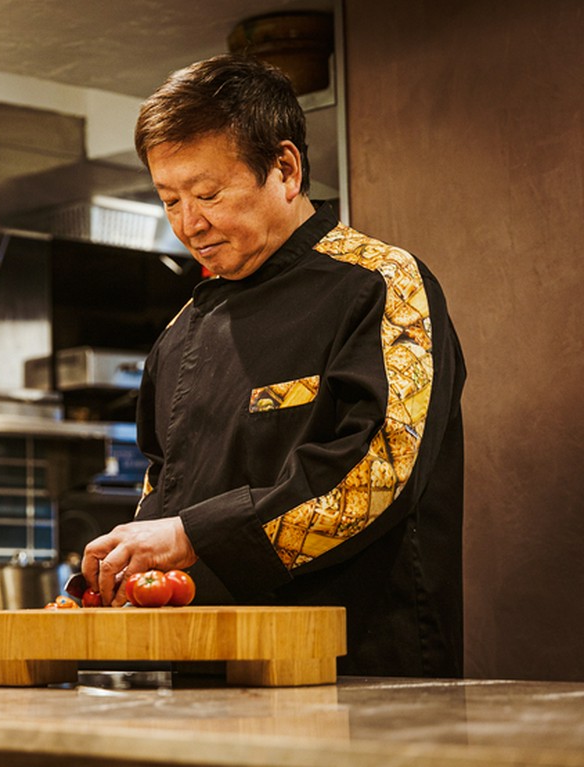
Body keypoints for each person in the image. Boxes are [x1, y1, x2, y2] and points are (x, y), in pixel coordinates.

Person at [80, 54, 466, 678]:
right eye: (169, 200)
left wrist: (194, 535)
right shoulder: (183, 330)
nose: (189, 225)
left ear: (285, 169)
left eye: (207, 194)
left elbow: (380, 471)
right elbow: (164, 483)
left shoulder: (381, 284)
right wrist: (138, 553)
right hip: (206, 669)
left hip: (360, 670)